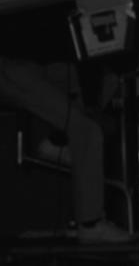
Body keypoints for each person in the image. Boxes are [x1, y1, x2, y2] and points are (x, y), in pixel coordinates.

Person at [0, 55, 130, 242]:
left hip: (40, 63)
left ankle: (57, 142)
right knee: (88, 131)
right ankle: (90, 224)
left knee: (109, 78)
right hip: (14, 65)